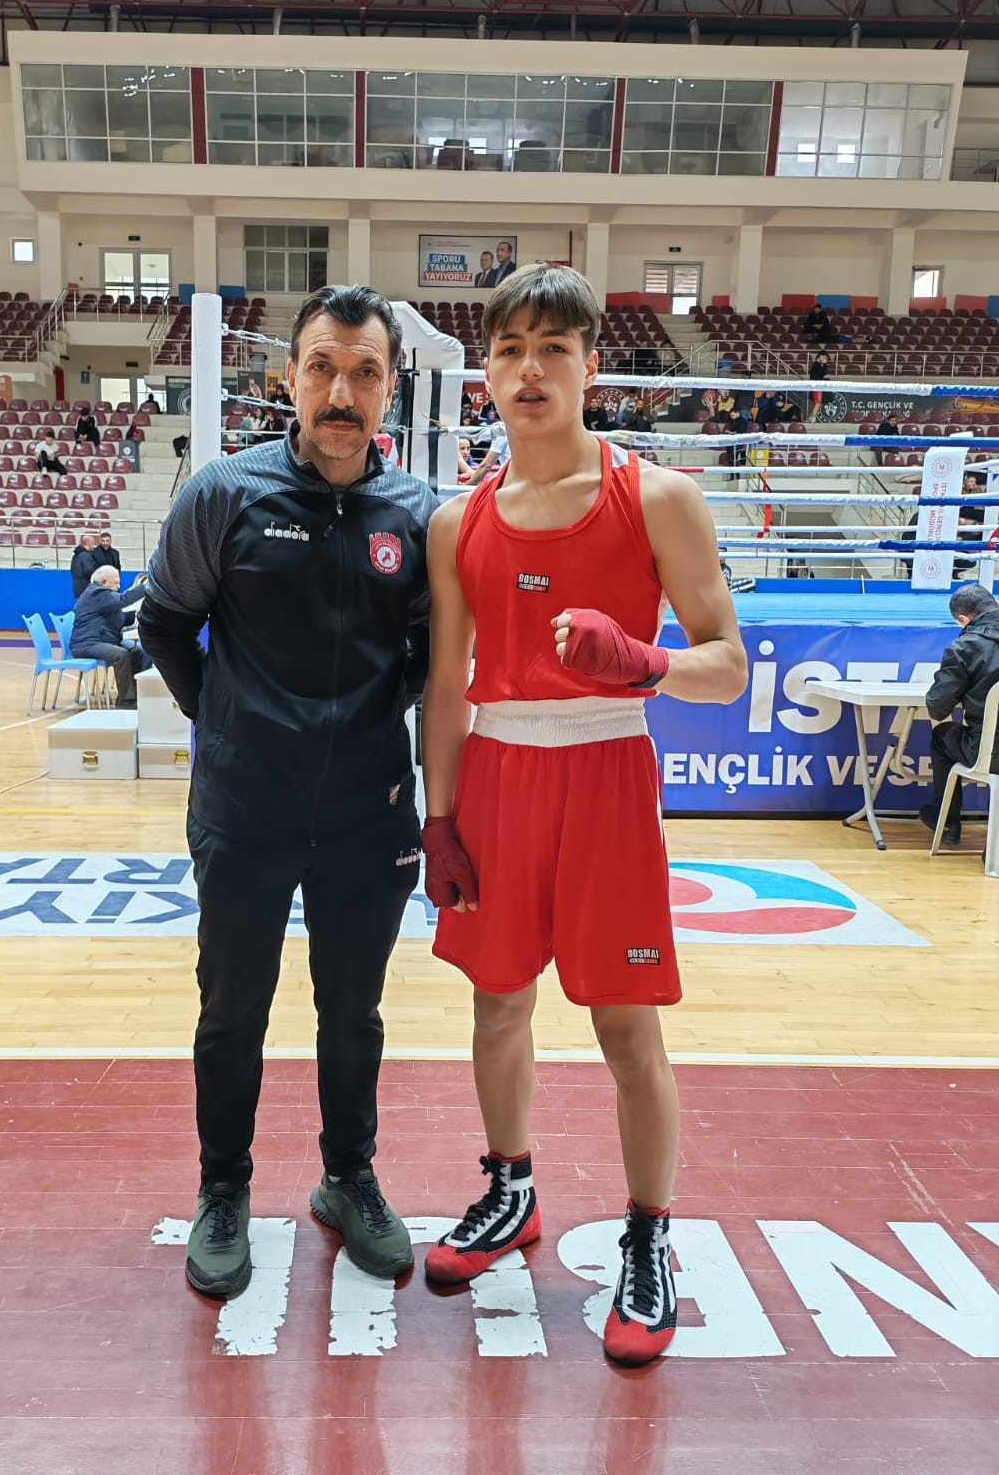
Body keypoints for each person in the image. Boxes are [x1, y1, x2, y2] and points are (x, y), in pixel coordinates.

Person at [418, 263, 747, 1365]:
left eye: (553, 348)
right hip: (500, 776)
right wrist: (441, 818)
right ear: (486, 372)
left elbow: (729, 666)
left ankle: (649, 1237)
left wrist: (644, 660)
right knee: (497, 1004)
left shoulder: (657, 497)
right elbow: (446, 684)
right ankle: (510, 1191)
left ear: (591, 366)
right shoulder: (457, 520)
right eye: (510, 348)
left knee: (625, 1026)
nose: (531, 369)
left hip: (607, 774)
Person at [137, 284, 436, 1302]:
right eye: (323, 368)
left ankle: (349, 1177)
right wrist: (226, 720)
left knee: (354, 1012)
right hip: (245, 809)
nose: (342, 393)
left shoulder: (421, 516)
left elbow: (433, 652)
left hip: (367, 814)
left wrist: (378, 722)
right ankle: (223, 1190)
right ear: (289, 378)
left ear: (389, 387)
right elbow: (164, 623)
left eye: (364, 372)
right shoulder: (224, 493)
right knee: (233, 1011)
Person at [920, 584, 999, 846]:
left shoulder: (965, 647)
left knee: (942, 735)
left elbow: (938, 706)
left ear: (964, 620)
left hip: (991, 753)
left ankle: (949, 822)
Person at [70, 565, 147, 708]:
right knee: (121, 654)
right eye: (116, 582)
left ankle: (135, 694)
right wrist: (148, 586)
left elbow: (120, 619)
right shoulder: (96, 593)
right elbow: (124, 599)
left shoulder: (103, 598)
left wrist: (138, 615)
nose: (119, 586)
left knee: (138, 652)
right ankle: (127, 702)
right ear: (104, 582)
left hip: (102, 641)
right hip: (86, 644)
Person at [70, 532, 99, 599]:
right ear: (89, 543)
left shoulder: (76, 555)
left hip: (77, 587)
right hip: (86, 588)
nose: (93, 545)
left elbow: (72, 570)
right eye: (93, 543)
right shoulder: (86, 556)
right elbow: (90, 571)